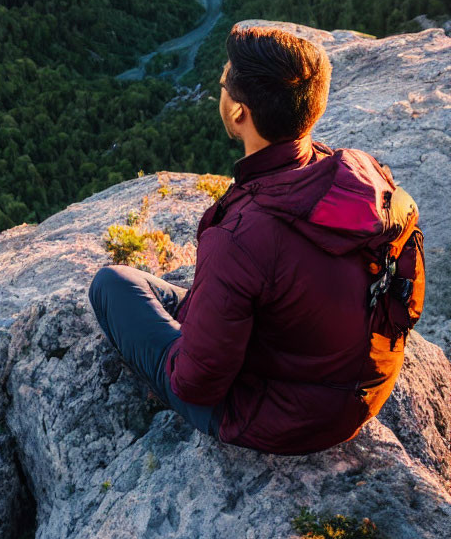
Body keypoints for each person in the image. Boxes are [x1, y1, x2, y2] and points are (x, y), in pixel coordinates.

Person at [89, 24, 424, 454]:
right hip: (361, 390)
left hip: (285, 419)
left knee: (112, 285)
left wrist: (178, 357)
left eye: (225, 82)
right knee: (198, 298)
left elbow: (197, 385)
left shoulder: (241, 237)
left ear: (238, 113)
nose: (221, 88)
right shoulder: (361, 173)